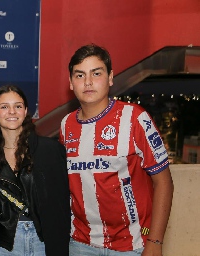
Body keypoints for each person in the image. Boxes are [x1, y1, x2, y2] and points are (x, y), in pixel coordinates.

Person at [60, 44, 174, 256]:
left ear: (110, 78)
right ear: (70, 82)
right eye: (80, 75)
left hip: (133, 246)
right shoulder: (66, 125)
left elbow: (164, 182)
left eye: (96, 73)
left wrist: (155, 241)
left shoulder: (135, 118)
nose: (88, 82)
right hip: (80, 244)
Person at [0, 85, 71, 255]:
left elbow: (63, 202)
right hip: (6, 243)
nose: (12, 111)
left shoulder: (50, 150)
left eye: (18, 106)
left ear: (26, 111)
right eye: (4, 107)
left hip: (43, 240)